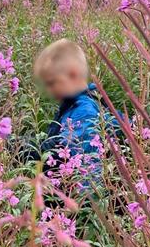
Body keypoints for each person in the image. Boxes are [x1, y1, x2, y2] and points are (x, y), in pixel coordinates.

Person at [32, 39, 120, 188]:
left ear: (73, 74)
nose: (49, 90)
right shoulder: (73, 104)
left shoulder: (84, 112)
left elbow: (89, 171)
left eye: (52, 83)